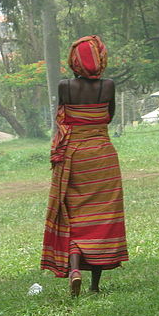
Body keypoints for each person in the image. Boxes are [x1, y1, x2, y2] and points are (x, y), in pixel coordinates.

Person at [41, 35, 129, 297]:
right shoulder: (108, 85)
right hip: (102, 157)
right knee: (101, 218)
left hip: (74, 158)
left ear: (74, 61)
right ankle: (95, 285)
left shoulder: (65, 86)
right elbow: (108, 116)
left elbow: (63, 117)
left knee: (73, 216)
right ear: (101, 59)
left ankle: (75, 271)